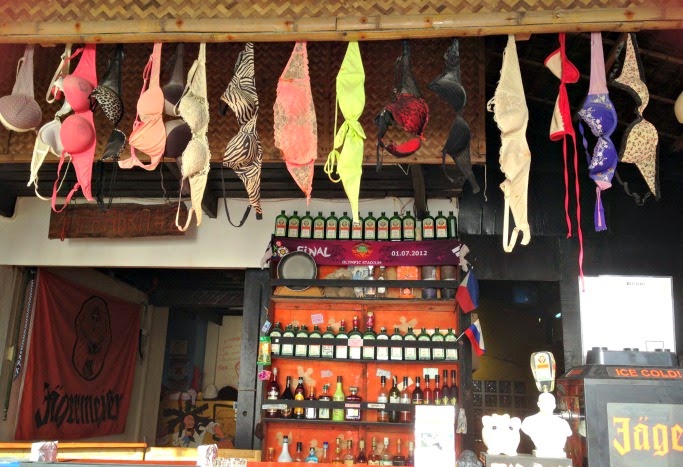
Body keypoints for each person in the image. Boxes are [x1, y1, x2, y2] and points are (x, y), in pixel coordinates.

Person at [521, 392, 572, 458]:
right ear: (538, 404)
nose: (547, 405)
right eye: (544, 403)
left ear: (554, 406)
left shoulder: (563, 423)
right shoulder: (529, 421)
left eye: (550, 403)